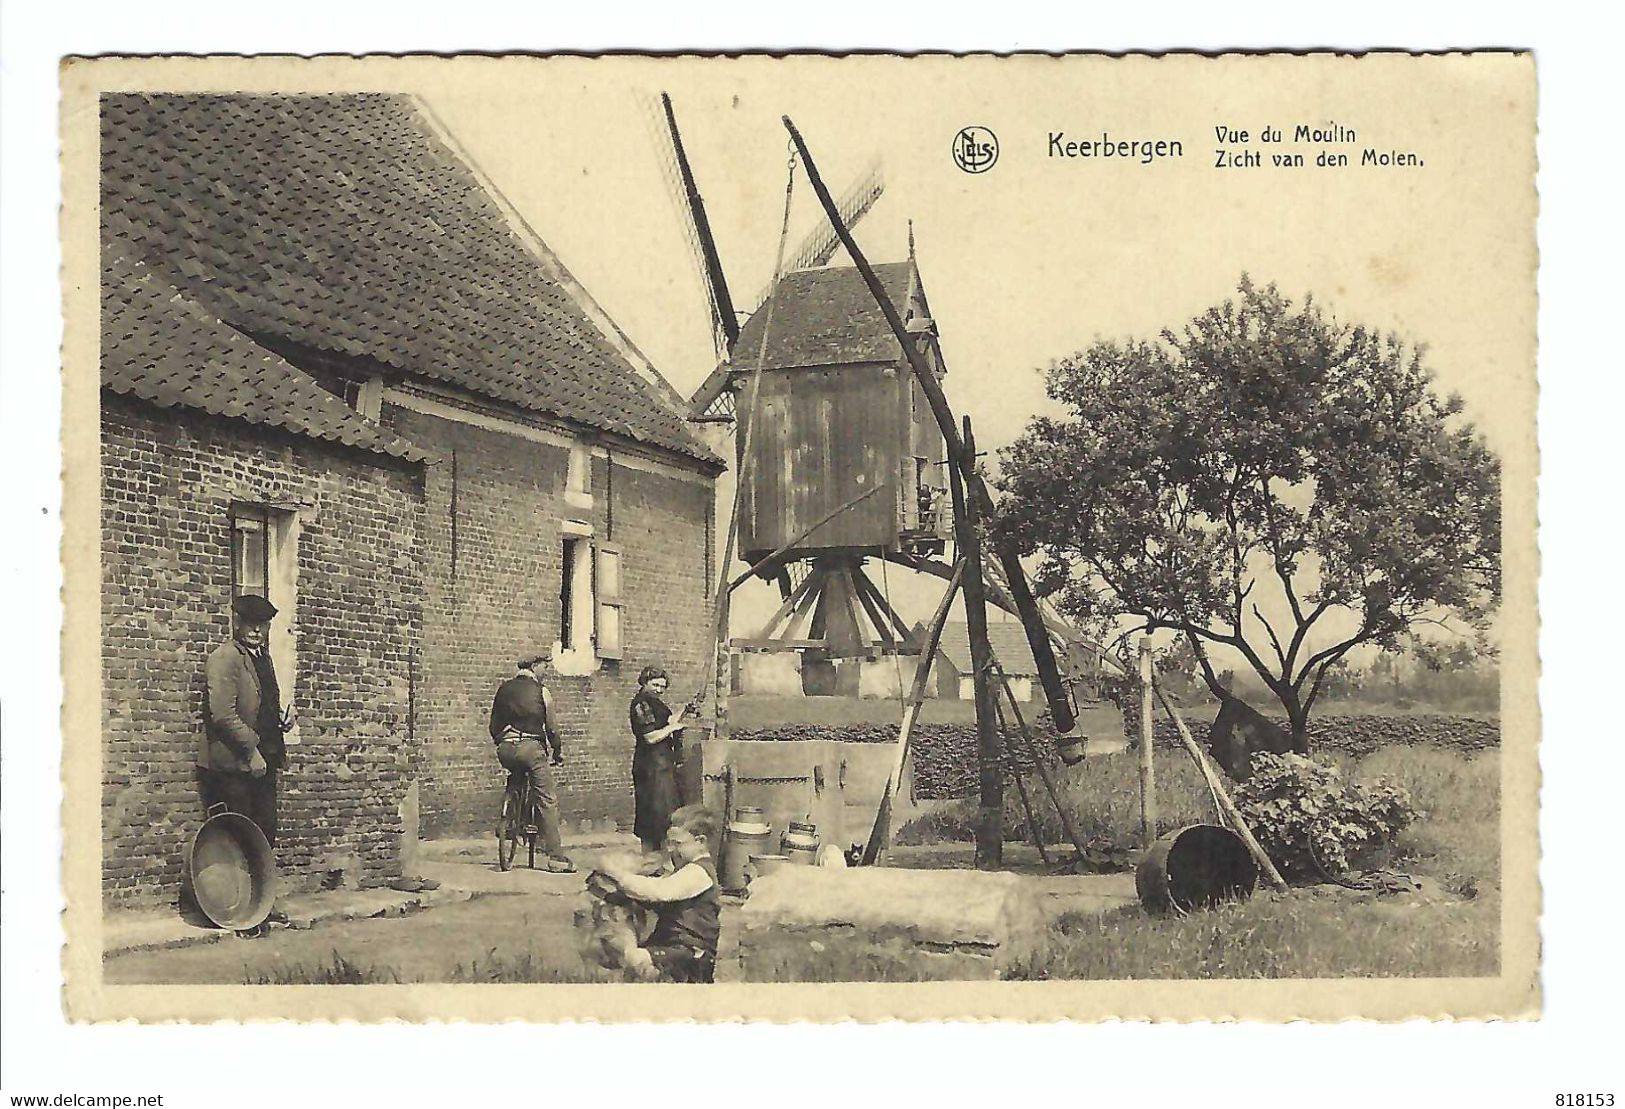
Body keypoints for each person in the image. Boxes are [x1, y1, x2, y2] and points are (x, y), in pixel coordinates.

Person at [202, 592, 295, 929]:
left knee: (265, 831)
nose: (257, 630)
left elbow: (265, 703)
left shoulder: (263, 657)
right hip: (235, 764)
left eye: (263, 625)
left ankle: (261, 906)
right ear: (237, 623)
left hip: (265, 759)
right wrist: (252, 750)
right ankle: (239, 913)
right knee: (239, 833)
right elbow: (223, 716)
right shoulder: (224, 658)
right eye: (250, 624)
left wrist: (283, 720)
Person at [596, 805, 721, 983]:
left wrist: (618, 874)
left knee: (635, 960)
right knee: (627, 959)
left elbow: (660, 892)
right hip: (670, 943)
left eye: (677, 844)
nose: (670, 849)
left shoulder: (699, 872)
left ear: (700, 842)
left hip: (691, 949)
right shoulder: (683, 870)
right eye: (668, 843)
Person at [489, 654, 574, 873]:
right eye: (545, 666)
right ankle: (556, 858)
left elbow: (493, 725)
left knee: (517, 771)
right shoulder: (541, 691)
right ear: (535, 667)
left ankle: (510, 818)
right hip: (531, 749)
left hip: (505, 748)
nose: (546, 671)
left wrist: (504, 740)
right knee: (546, 799)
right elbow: (552, 728)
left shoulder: (502, 690)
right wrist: (557, 751)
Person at [629, 665, 692, 853]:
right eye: (655, 685)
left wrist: (684, 711)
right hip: (650, 765)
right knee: (654, 814)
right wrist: (673, 729)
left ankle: (657, 859)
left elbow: (668, 720)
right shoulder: (641, 704)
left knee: (663, 813)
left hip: (662, 762)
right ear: (644, 682)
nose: (659, 689)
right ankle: (652, 859)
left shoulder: (655, 702)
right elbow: (650, 737)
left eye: (663, 687)